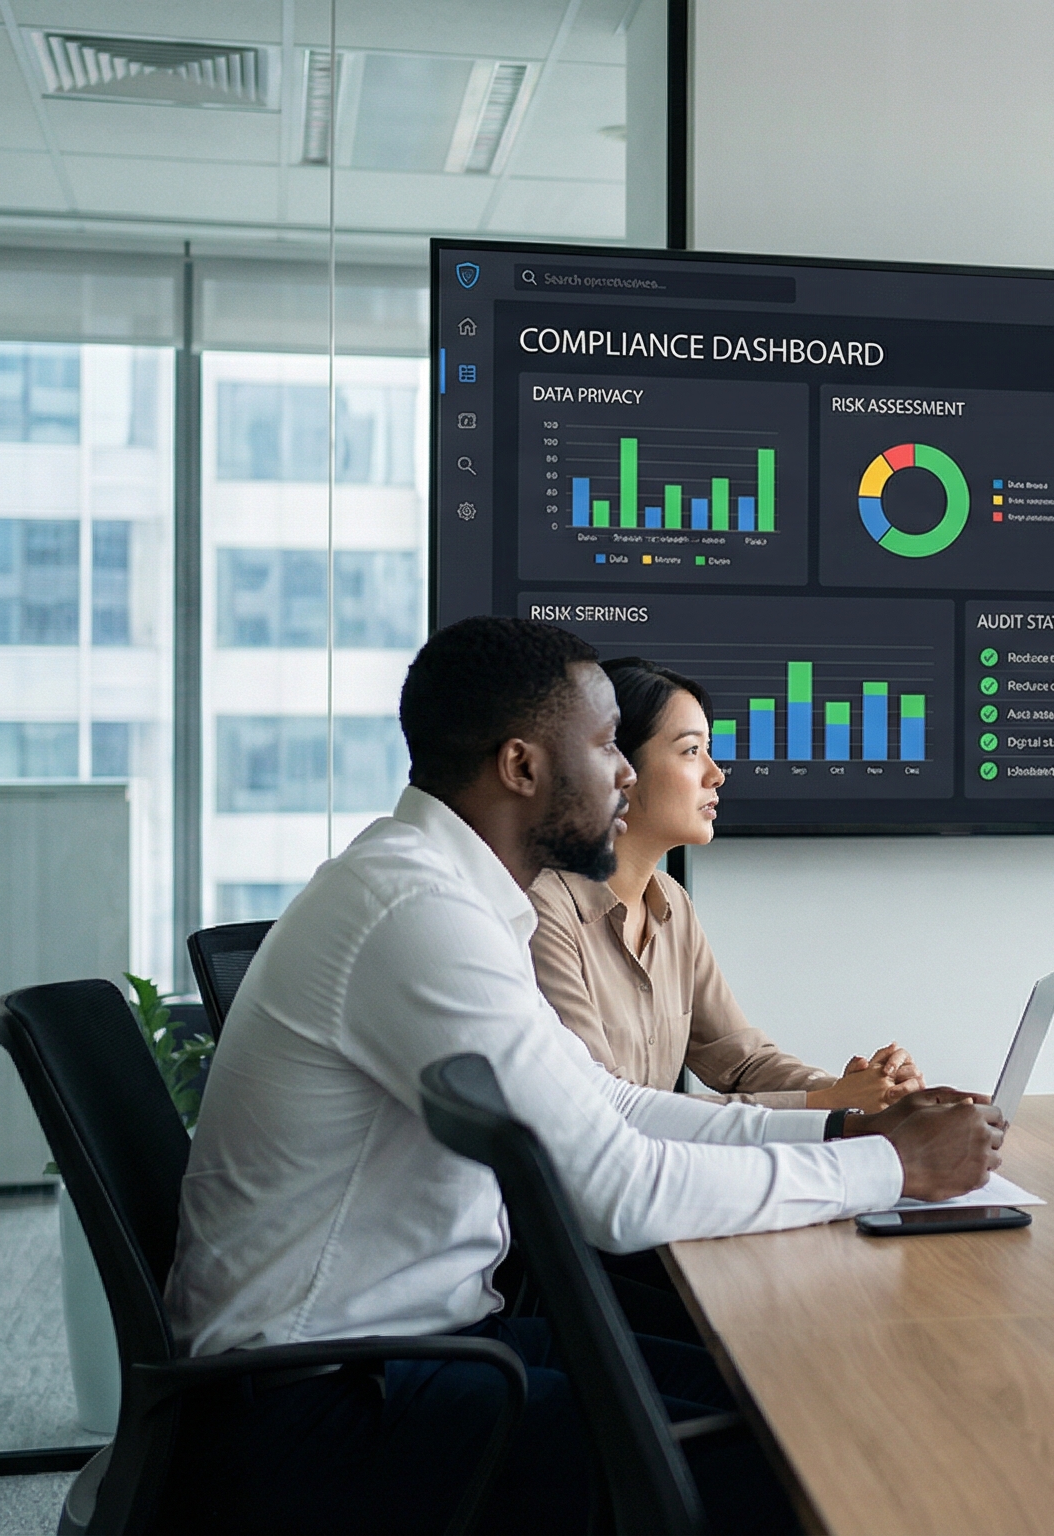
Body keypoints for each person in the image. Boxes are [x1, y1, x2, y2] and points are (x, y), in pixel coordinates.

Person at [164, 615, 1003, 1534]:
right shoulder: (416, 912)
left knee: (796, 1390)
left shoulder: (443, 896)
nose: (628, 776)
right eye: (608, 745)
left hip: (422, 1350)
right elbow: (617, 1191)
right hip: (326, 1407)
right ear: (522, 767)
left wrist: (847, 1132)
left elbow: (609, 1105)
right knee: (809, 1452)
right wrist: (893, 1169)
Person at [531, 656, 923, 1109]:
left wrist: (855, 1091)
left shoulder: (671, 904)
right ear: (617, 769)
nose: (716, 774)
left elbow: (742, 1062)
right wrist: (826, 1105)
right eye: (691, 750)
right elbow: (610, 1109)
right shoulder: (542, 912)